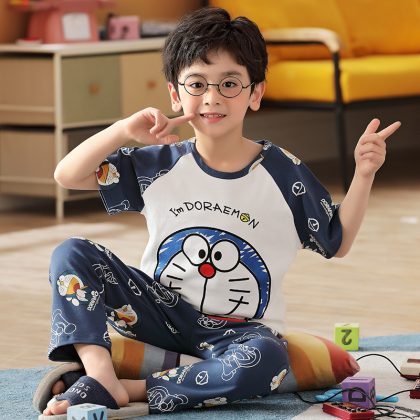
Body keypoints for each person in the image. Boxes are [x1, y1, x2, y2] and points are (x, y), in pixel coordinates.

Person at [43, 6, 400, 416]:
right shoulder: (159, 164)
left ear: (255, 94)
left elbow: (337, 241)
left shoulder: (285, 173)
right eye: (197, 84)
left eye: (230, 84)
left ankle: (134, 389)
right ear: (175, 94)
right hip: (157, 312)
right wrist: (123, 130)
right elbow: (68, 175)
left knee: (270, 359)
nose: (212, 97)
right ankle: (100, 374)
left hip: (241, 333)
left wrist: (364, 174)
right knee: (71, 253)